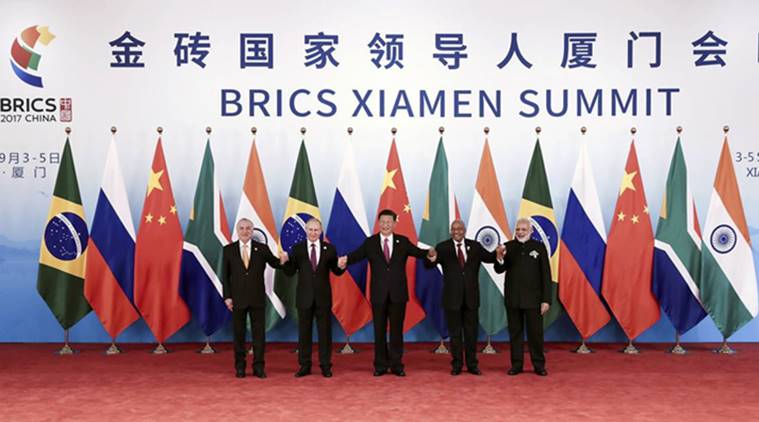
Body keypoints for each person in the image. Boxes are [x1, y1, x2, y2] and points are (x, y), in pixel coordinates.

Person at [338, 209, 435, 377]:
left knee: (396, 332)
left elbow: (418, 253)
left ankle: (397, 365)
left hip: (398, 294)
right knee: (379, 331)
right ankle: (380, 365)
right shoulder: (370, 243)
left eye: (389, 222)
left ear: (395, 224)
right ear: (378, 223)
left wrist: (430, 254)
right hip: (378, 295)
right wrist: (344, 260)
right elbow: (356, 256)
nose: (385, 225)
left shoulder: (403, 242)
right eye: (382, 222)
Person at [424, 220, 505, 376]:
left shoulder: (475, 246)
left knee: (471, 334)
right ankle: (457, 364)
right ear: (450, 231)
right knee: (455, 334)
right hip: (451, 299)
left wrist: (498, 254)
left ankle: (472, 364)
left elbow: (489, 258)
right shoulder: (443, 247)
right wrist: (431, 257)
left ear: (464, 230)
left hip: (471, 298)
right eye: (454, 229)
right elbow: (429, 265)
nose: (457, 231)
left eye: (459, 229)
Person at [281, 218, 344, 378]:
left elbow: (336, 271)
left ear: (321, 231)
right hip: (304, 297)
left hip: (323, 298)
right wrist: (284, 263)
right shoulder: (297, 249)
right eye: (310, 230)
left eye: (316, 230)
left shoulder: (329, 249)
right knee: (304, 333)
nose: (313, 233)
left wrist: (342, 266)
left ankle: (325, 365)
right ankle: (305, 365)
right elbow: (290, 272)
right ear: (306, 230)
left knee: (325, 334)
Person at [222, 218, 283, 379]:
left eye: (248, 228)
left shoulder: (262, 248)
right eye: (242, 228)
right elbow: (225, 276)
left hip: (257, 298)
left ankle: (259, 367)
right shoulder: (228, 250)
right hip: (237, 299)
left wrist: (283, 260)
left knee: (259, 335)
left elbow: (275, 263)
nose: (245, 231)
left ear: (252, 230)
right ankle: (240, 367)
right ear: (237, 230)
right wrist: (227, 297)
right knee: (239, 335)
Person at [494, 218, 551, 376]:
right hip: (513, 299)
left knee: (535, 335)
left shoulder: (539, 247)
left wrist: (546, 299)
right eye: (518, 229)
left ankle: (539, 365)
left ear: (531, 231)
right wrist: (499, 258)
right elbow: (499, 269)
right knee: (515, 334)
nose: (520, 232)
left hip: (534, 300)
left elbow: (546, 275)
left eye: (523, 229)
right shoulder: (508, 247)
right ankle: (516, 365)